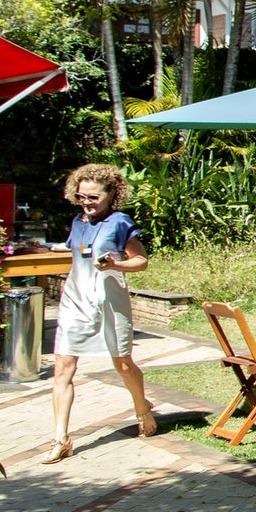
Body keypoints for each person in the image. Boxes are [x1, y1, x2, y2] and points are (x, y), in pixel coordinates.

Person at [43, 164, 158, 463]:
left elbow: (141, 261)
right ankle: (60, 439)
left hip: (109, 300)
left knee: (123, 364)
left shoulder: (120, 222)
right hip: (76, 300)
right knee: (62, 367)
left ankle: (142, 409)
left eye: (93, 197)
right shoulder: (78, 221)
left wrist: (115, 264)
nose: (86, 202)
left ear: (111, 195)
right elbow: (77, 249)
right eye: (81, 196)